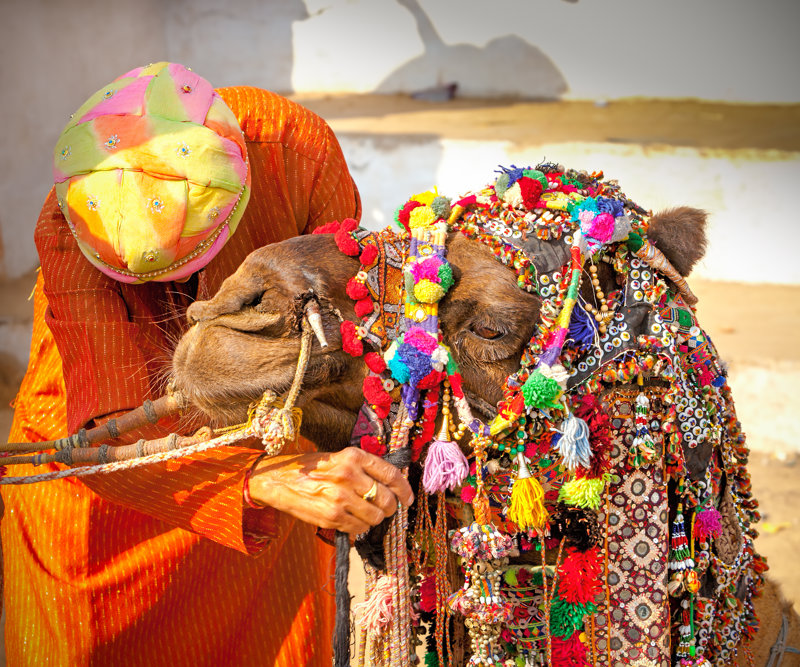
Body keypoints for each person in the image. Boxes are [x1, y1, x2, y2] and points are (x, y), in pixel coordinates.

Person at [3, 62, 412, 666]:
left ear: (239, 194)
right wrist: (253, 484)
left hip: (272, 458)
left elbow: (352, 319)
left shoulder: (292, 147)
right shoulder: (76, 216)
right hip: (113, 479)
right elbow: (104, 416)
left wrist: (348, 463)